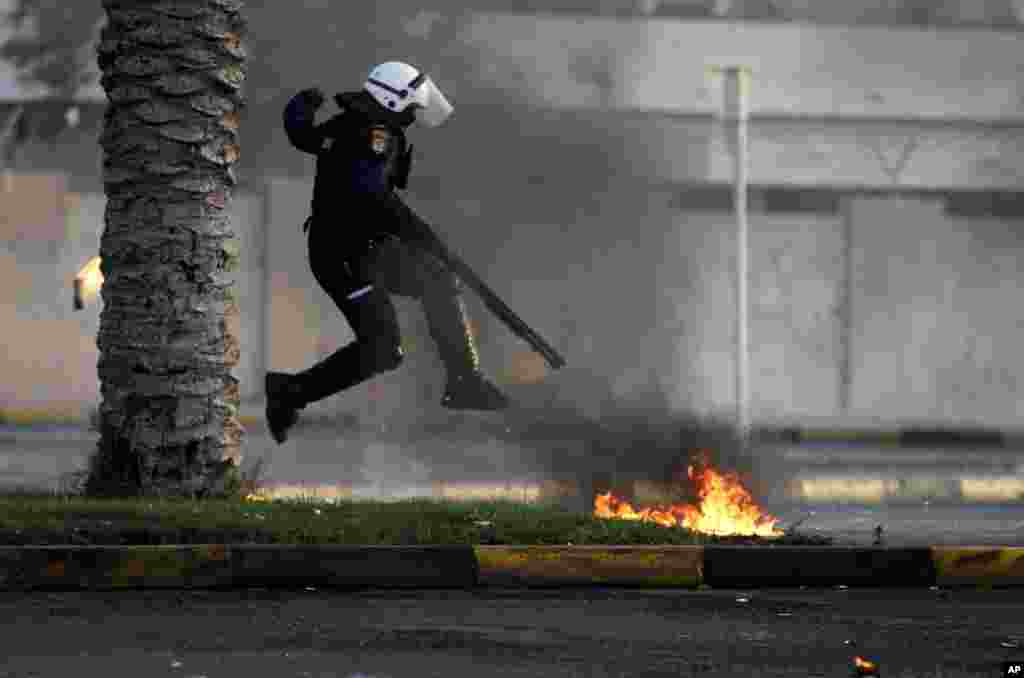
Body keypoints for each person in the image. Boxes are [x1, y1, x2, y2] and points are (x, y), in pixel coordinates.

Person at [265, 61, 509, 444]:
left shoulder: (353, 126)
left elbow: (305, 137)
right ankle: (289, 392)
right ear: (393, 101)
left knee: (437, 279)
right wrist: (423, 235)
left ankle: (464, 381)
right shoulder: (373, 133)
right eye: (412, 106)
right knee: (382, 349)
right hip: (344, 257)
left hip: (366, 248)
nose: (416, 114)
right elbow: (373, 198)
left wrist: (300, 108)